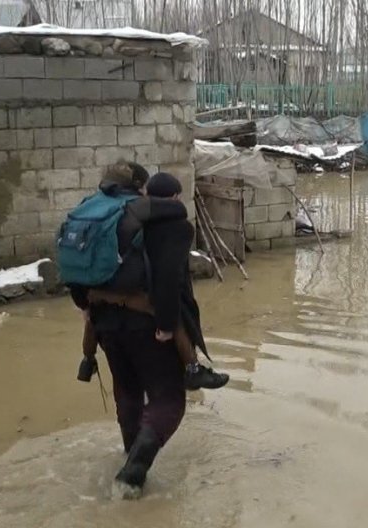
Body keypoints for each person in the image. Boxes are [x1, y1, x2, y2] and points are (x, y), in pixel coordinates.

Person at [68, 166, 196, 497]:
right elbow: (168, 279)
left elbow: (75, 265)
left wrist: (86, 307)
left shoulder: (93, 214)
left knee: (127, 391)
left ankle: (129, 457)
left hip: (105, 325)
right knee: (168, 399)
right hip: (146, 323)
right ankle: (133, 474)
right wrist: (168, 327)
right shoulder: (165, 224)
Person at [75, 169, 228, 391]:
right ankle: (193, 369)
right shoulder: (158, 221)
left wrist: (82, 301)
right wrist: (165, 325)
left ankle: (87, 361)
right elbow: (167, 276)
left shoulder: (106, 213)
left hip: (98, 291)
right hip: (132, 294)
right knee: (171, 315)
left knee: (92, 319)